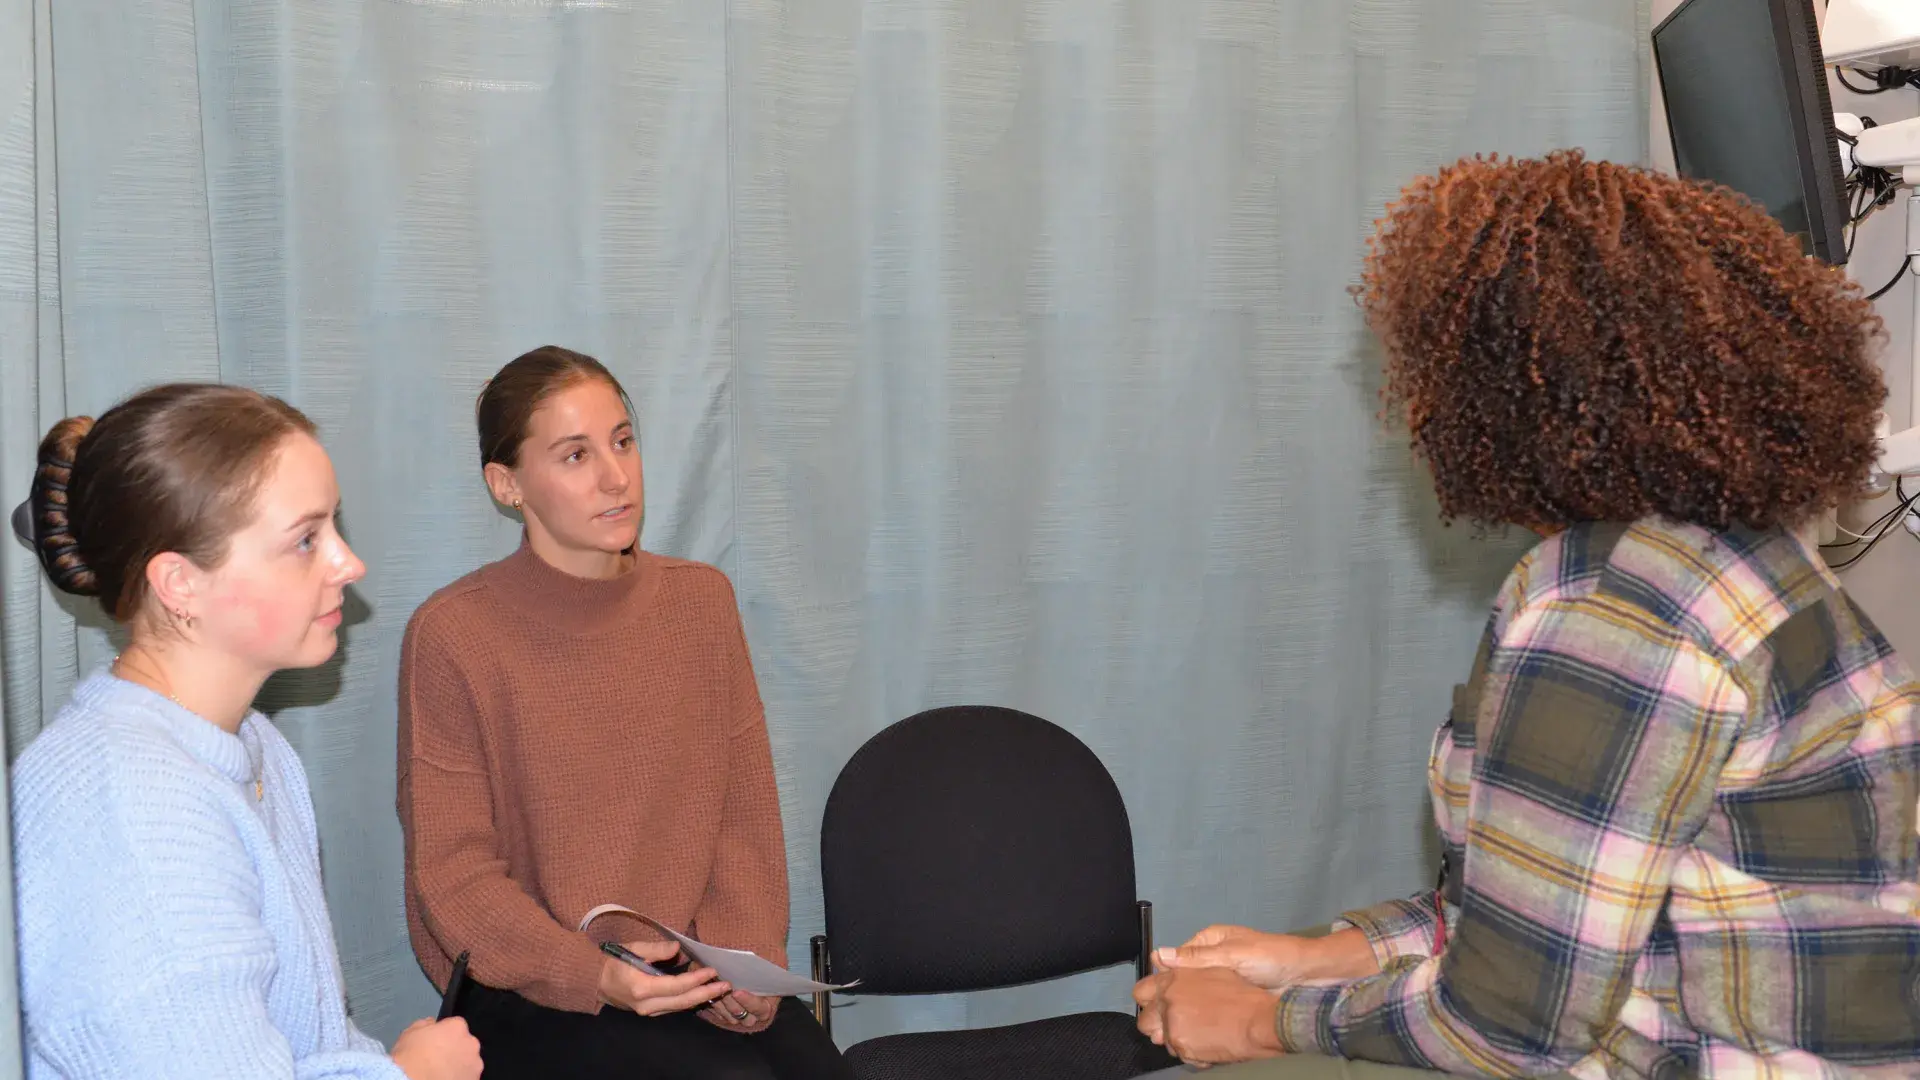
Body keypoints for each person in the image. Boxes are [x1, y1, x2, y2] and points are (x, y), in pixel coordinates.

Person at [1134, 151, 1920, 1078]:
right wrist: (1327, 955)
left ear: (1500, 387)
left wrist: (1265, 1023)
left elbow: (1513, 1024)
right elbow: (1593, 909)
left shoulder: (1617, 616)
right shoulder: (1732, 557)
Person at [396, 346, 852, 1080]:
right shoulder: (454, 635)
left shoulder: (700, 603)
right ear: (506, 484)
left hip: (690, 970)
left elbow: (744, 814)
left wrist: (744, 970)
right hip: (536, 987)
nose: (616, 476)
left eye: (623, 442)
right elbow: (453, 879)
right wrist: (593, 973)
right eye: (575, 455)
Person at [11, 384, 484, 1080]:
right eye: (305, 540)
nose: (348, 564)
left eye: (333, 528)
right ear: (180, 584)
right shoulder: (130, 813)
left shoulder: (255, 746)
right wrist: (411, 1075)